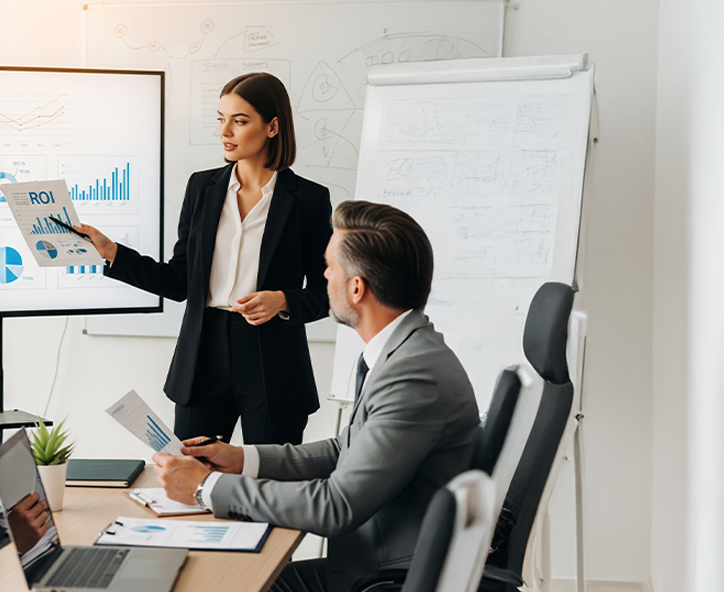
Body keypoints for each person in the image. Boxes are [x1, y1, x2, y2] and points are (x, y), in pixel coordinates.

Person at [151, 200, 482, 592]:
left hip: (388, 575)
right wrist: (241, 459)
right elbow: (346, 449)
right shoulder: (406, 352)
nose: (323, 277)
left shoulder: (414, 375)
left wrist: (206, 488)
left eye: (329, 268)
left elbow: (335, 506)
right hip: (375, 559)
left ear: (357, 288)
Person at [76, 72, 332, 446]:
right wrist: (113, 252)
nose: (225, 131)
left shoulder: (307, 199)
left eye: (239, 121)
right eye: (221, 118)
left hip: (273, 358)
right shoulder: (202, 188)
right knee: (191, 476)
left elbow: (329, 292)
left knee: (271, 482)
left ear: (272, 126)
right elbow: (179, 282)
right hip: (204, 352)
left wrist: (283, 301)